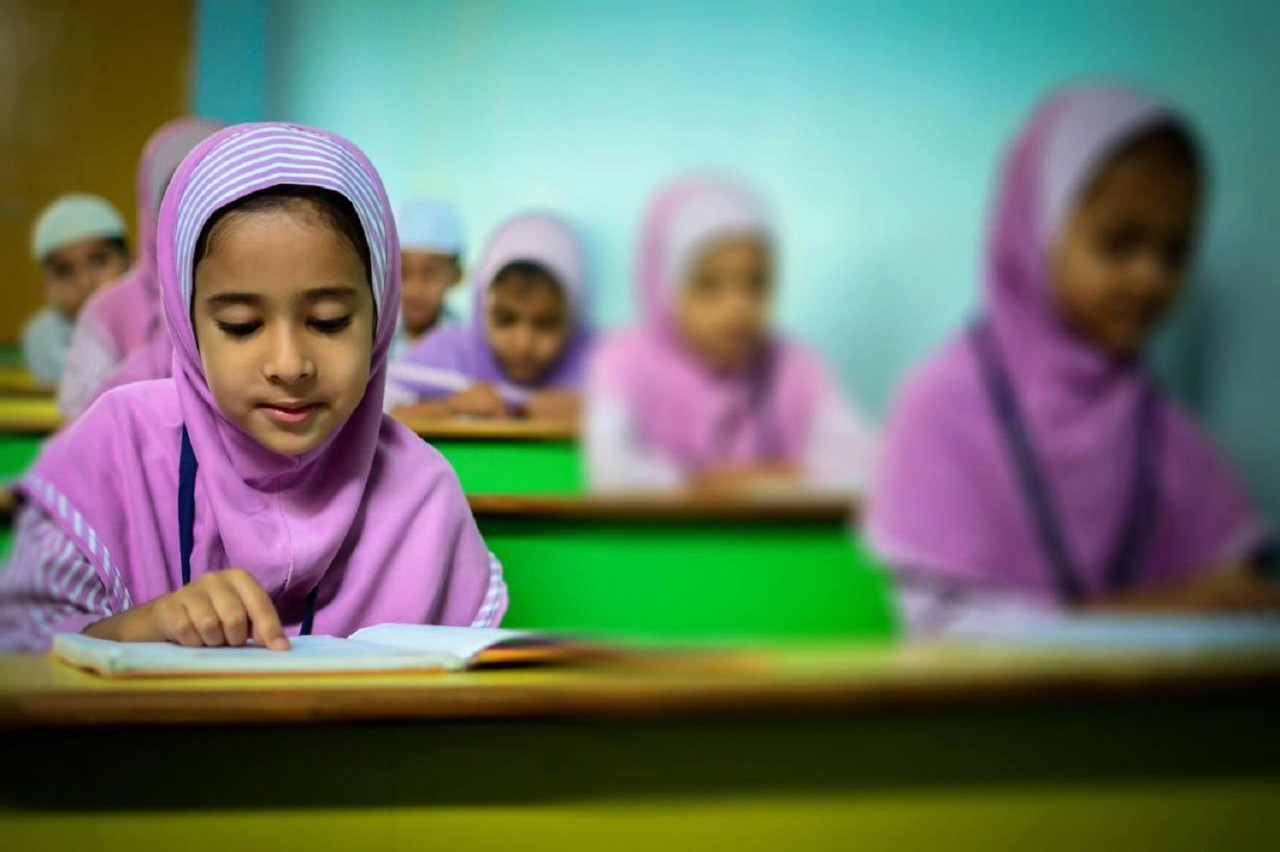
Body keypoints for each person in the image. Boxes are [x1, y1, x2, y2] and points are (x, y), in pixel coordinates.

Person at [0, 123, 506, 653]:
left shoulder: (420, 494)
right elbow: (18, 648)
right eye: (242, 326)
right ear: (186, 321)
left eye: (329, 321)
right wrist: (141, 628)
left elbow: (468, 701)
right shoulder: (115, 449)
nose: (289, 365)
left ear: (379, 317)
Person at [866, 85, 1277, 636]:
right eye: (1118, 244)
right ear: (1033, 232)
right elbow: (944, 636)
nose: (1151, 277)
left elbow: (1235, 585)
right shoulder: (940, 407)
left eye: (1174, 251)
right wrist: (1157, 612)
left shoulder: (1157, 428)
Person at [585, 175, 875, 494]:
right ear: (665, 286)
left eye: (756, 283)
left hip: (772, 545)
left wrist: (728, 485)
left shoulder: (796, 367)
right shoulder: (624, 360)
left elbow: (870, 471)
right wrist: (723, 483)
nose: (737, 307)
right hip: (664, 543)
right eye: (709, 284)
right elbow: (610, 473)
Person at [58, 118, 226, 417]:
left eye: (217, 197)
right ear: (151, 211)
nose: (198, 215)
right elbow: (79, 415)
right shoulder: (110, 309)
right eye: (177, 197)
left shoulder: (270, 296)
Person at [387, 212, 590, 422]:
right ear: (481, 310)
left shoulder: (596, 368)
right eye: (506, 320)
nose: (523, 344)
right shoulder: (446, 356)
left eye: (545, 324)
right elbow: (375, 418)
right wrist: (450, 406)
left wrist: (594, 413)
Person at [23, 194, 129, 384]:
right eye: (64, 271)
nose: (84, 283)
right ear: (47, 286)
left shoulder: (157, 321)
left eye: (99, 261)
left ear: (130, 262)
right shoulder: (44, 336)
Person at [392, 198, 465, 360]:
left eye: (429, 274)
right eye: (403, 272)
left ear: (457, 275)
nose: (414, 289)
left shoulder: (470, 344)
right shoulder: (373, 336)